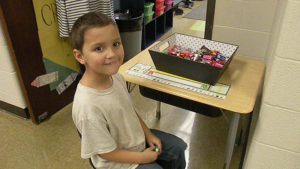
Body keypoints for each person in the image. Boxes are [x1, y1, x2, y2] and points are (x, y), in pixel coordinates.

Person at [70, 11, 187, 169]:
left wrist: (148, 133)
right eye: (98, 48)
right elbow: (105, 152)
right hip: (118, 163)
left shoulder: (116, 77)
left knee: (177, 148)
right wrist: (142, 158)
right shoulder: (87, 106)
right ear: (80, 56)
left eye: (116, 44)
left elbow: (129, 110)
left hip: (136, 141)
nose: (111, 54)